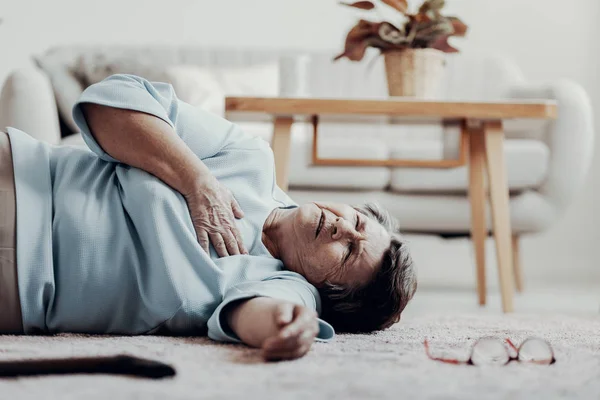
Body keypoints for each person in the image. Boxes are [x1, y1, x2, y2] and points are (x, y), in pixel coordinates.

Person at [0, 74, 417, 361]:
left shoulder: (284, 285)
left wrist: (286, 328)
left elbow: (262, 314)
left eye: (347, 252)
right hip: (20, 179)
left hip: (19, 289)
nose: (343, 228)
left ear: (326, 291)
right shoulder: (250, 159)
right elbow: (111, 101)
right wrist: (196, 180)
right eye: (357, 223)